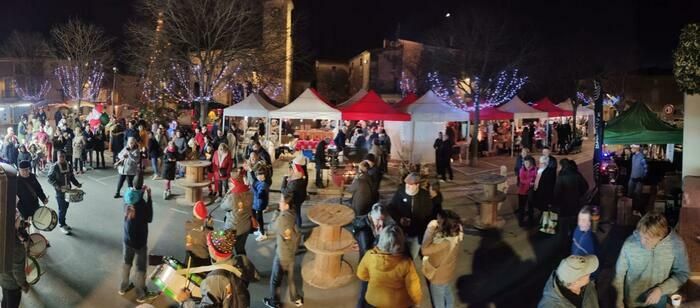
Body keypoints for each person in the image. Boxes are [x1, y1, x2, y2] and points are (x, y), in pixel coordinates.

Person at [613, 212, 689, 308]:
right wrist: (618, 301)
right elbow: (618, 275)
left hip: (659, 301)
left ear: (661, 236)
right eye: (641, 236)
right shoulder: (629, 244)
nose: (642, 242)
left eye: (648, 238)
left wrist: (661, 290)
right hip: (633, 302)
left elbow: (682, 274)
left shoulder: (676, 245)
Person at [177, 228, 257, 308]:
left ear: (213, 251)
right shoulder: (242, 260)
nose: (207, 247)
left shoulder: (215, 280)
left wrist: (185, 302)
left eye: (208, 245)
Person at [357, 224, 422, 308]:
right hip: (398, 303)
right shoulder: (406, 263)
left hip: (373, 301)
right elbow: (413, 287)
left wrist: (374, 279)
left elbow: (361, 275)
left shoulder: (369, 255)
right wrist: (417, 301)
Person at [119, 174, 157, 303]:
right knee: (140, 267)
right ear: (142, 187)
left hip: (127, 238)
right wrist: (149, 197)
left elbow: (133, 193)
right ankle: (141, 293)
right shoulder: (142, 204)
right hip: (140, 240)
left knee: (126, 263)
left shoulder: (126, 197)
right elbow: (149, 218)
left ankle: (123, 287)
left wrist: (139, 191)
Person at [263, 192, 303, 308]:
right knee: (290, 277)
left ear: (286, 205)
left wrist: (276, 214)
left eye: (281, 201)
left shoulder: (283, 218)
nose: (279, 203)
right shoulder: (292, 213)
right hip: (291, 250)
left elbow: (271, 227)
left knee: (275, 280)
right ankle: (296, 299)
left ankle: (274, 302)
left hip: (283, 253)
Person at [352, 203, 394, 308]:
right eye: (378, 220)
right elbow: (368, 253)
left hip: (378, 264)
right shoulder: (364, 230)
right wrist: (379, 237)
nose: (381, 223)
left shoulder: (376, 222)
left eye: (382, 220)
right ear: (371, 215)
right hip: (367, 266)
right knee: (364, 291)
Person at [388, 172, 437, 259]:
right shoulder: (400, 192)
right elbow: (391, 208)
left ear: (417, 185)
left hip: (416, 234)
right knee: (399, 256)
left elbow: (429, 214)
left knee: (410, 258)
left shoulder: (424, 196)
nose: (407, 186)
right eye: (406, 183)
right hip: (401, 233)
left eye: (410, 184)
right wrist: (399, 219)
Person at [422, 210, 463, 308]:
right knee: (447, 291)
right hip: (448, 271)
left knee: (438, 300)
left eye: (439, 221)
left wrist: (429, 229)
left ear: (445, 226)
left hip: (438, 276)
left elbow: (424, 250)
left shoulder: (444, 243)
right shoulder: (457, 231)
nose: (436, 222)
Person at [47, 150, 82, 234]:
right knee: (62, 208)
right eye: (60, 157)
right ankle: (61, 225)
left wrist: (77, 184)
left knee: (66, 207)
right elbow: (49, 178)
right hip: (60, 191)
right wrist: (57, 186)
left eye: (63, 156)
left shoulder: (68, 165)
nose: (62, 158)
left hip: (68, 190)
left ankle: (63, 222)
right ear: (57, 157)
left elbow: (71, 176)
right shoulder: (54, 166)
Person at [554, 159, 590, 235]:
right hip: (576, 206)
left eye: (559, 166)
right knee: (574, 226)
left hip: (564, 208)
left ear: (562, 166)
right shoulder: (577, 175)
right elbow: (586, 187)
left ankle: (565, 242)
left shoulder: (561, 177)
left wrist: (556, 204)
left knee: (564, 229)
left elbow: (557, 194)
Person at [222, 171, 253, 256]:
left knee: (227, 249)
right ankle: (243, 265)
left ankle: (229, 266)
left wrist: (228, 193)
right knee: (240, 248)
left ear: (234, 183)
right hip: (245, 227)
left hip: (232, 228)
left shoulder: (232, 197)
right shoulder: (250, 193)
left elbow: (223, 206)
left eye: (230, 184)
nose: (229, 186)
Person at [0, 220, 30, 308]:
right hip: (12, 284)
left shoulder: (2, 235)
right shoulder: (17, 247)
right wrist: (24, 284)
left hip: (2, 278)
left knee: (5, 299)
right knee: (12, 303)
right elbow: (18, 272)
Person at [185, 201, 213, 267]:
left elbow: (196, 227)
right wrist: (209, 226)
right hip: (203, 258)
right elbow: (210, 241)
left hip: (190, 257)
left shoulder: (187, 224)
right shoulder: (207, 231)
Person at [628, 144, 648, 212]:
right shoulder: (633, 157)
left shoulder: (642, 157)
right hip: (632, 178)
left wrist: (642, 177)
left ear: (637, 148)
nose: (631, 149)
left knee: (637, 195)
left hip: (639, 179)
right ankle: (631, 209)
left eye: (632, 148)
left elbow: (645, 168)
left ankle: (637, 210)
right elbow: (633, 168)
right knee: (630, 194)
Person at [252, 169, 270, 242]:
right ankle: (259, 229)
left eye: (262, 175)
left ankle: (262, 234)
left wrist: (253, 189)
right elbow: (254, 179)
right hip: (255, 203)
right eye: (258, 175)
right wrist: (251, 171)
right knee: (257, 217)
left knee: (259, 218)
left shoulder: (264, 185)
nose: (260, 177)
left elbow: (260, 196)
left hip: (260, 204)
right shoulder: (257, 181)